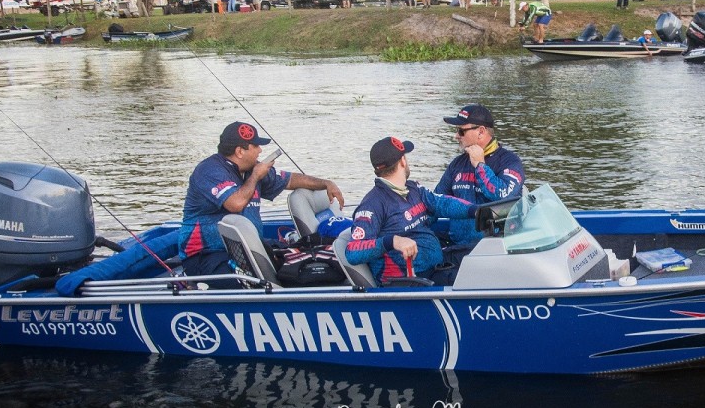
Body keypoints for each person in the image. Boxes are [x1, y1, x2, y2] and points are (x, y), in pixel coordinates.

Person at [178, 121, 345, 286]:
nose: (260, 150)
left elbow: (290, 180)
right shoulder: (209, 170)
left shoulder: (252, 169)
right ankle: (192, 283)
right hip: (207, 255)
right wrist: (255, 177)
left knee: (300, 262)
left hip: (246, 249)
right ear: (239, 151)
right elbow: (235, 204)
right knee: (251, 283)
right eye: (255, 146)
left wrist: (325, 183)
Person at [344, 136, 479, 285]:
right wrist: (392, 241)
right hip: (410, 281)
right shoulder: (372, 205)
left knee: (482, 256)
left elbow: (441, 203)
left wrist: (476, 211)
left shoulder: (413, 188)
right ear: (402, 161)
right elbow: (352, 252)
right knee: (477, 279)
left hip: (436, 265)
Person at [435, 104, 525, 245]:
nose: (456, 136)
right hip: (460, 247)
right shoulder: (457, 164)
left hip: (499, 249)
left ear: (481, 132)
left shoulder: (510, 162)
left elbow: (504, 196)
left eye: (461, 131)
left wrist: (480, 165)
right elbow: (436, 201)